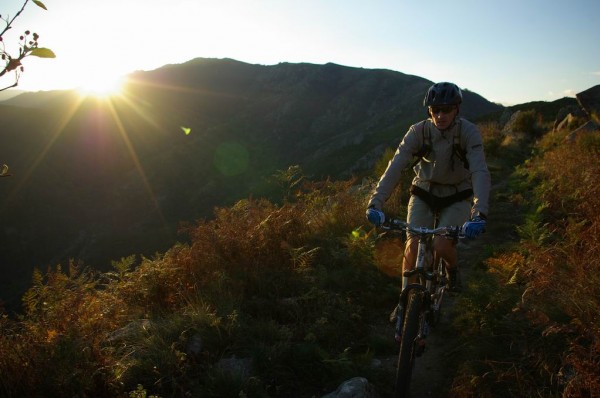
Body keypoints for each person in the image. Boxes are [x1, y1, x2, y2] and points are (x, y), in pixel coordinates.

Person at [365, 82, 490, 291]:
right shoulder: (418, 132)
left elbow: (479, 171)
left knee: (441, 244)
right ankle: (405, 300)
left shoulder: (468, 132)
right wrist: (375, 202)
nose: (441, 115)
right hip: (424, 192)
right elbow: (395, 166)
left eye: (447, 109)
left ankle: (453, 269)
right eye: (435, 110)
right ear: (429, 110)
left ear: (456, 109)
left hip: (458, 194)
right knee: (412, 247)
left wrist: (480, 214)